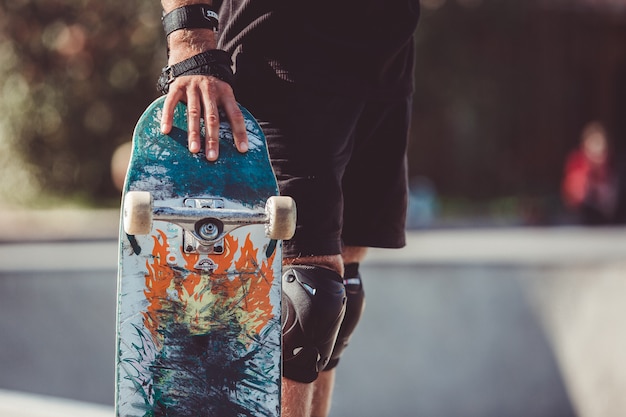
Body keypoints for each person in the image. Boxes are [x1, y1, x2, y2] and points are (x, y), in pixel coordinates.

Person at [159, 1, 420, 416]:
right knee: (304, 297)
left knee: (339, 294)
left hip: (386, 55)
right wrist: (190, 38)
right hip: (285, 51)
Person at [562, 121, 618, 225]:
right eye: (594, 144)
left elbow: (611, 204)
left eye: (601, 145)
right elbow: (575, 197)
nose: (598, 150)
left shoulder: (611, 169)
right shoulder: (577, 167)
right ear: (585, 146)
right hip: (580, 225)